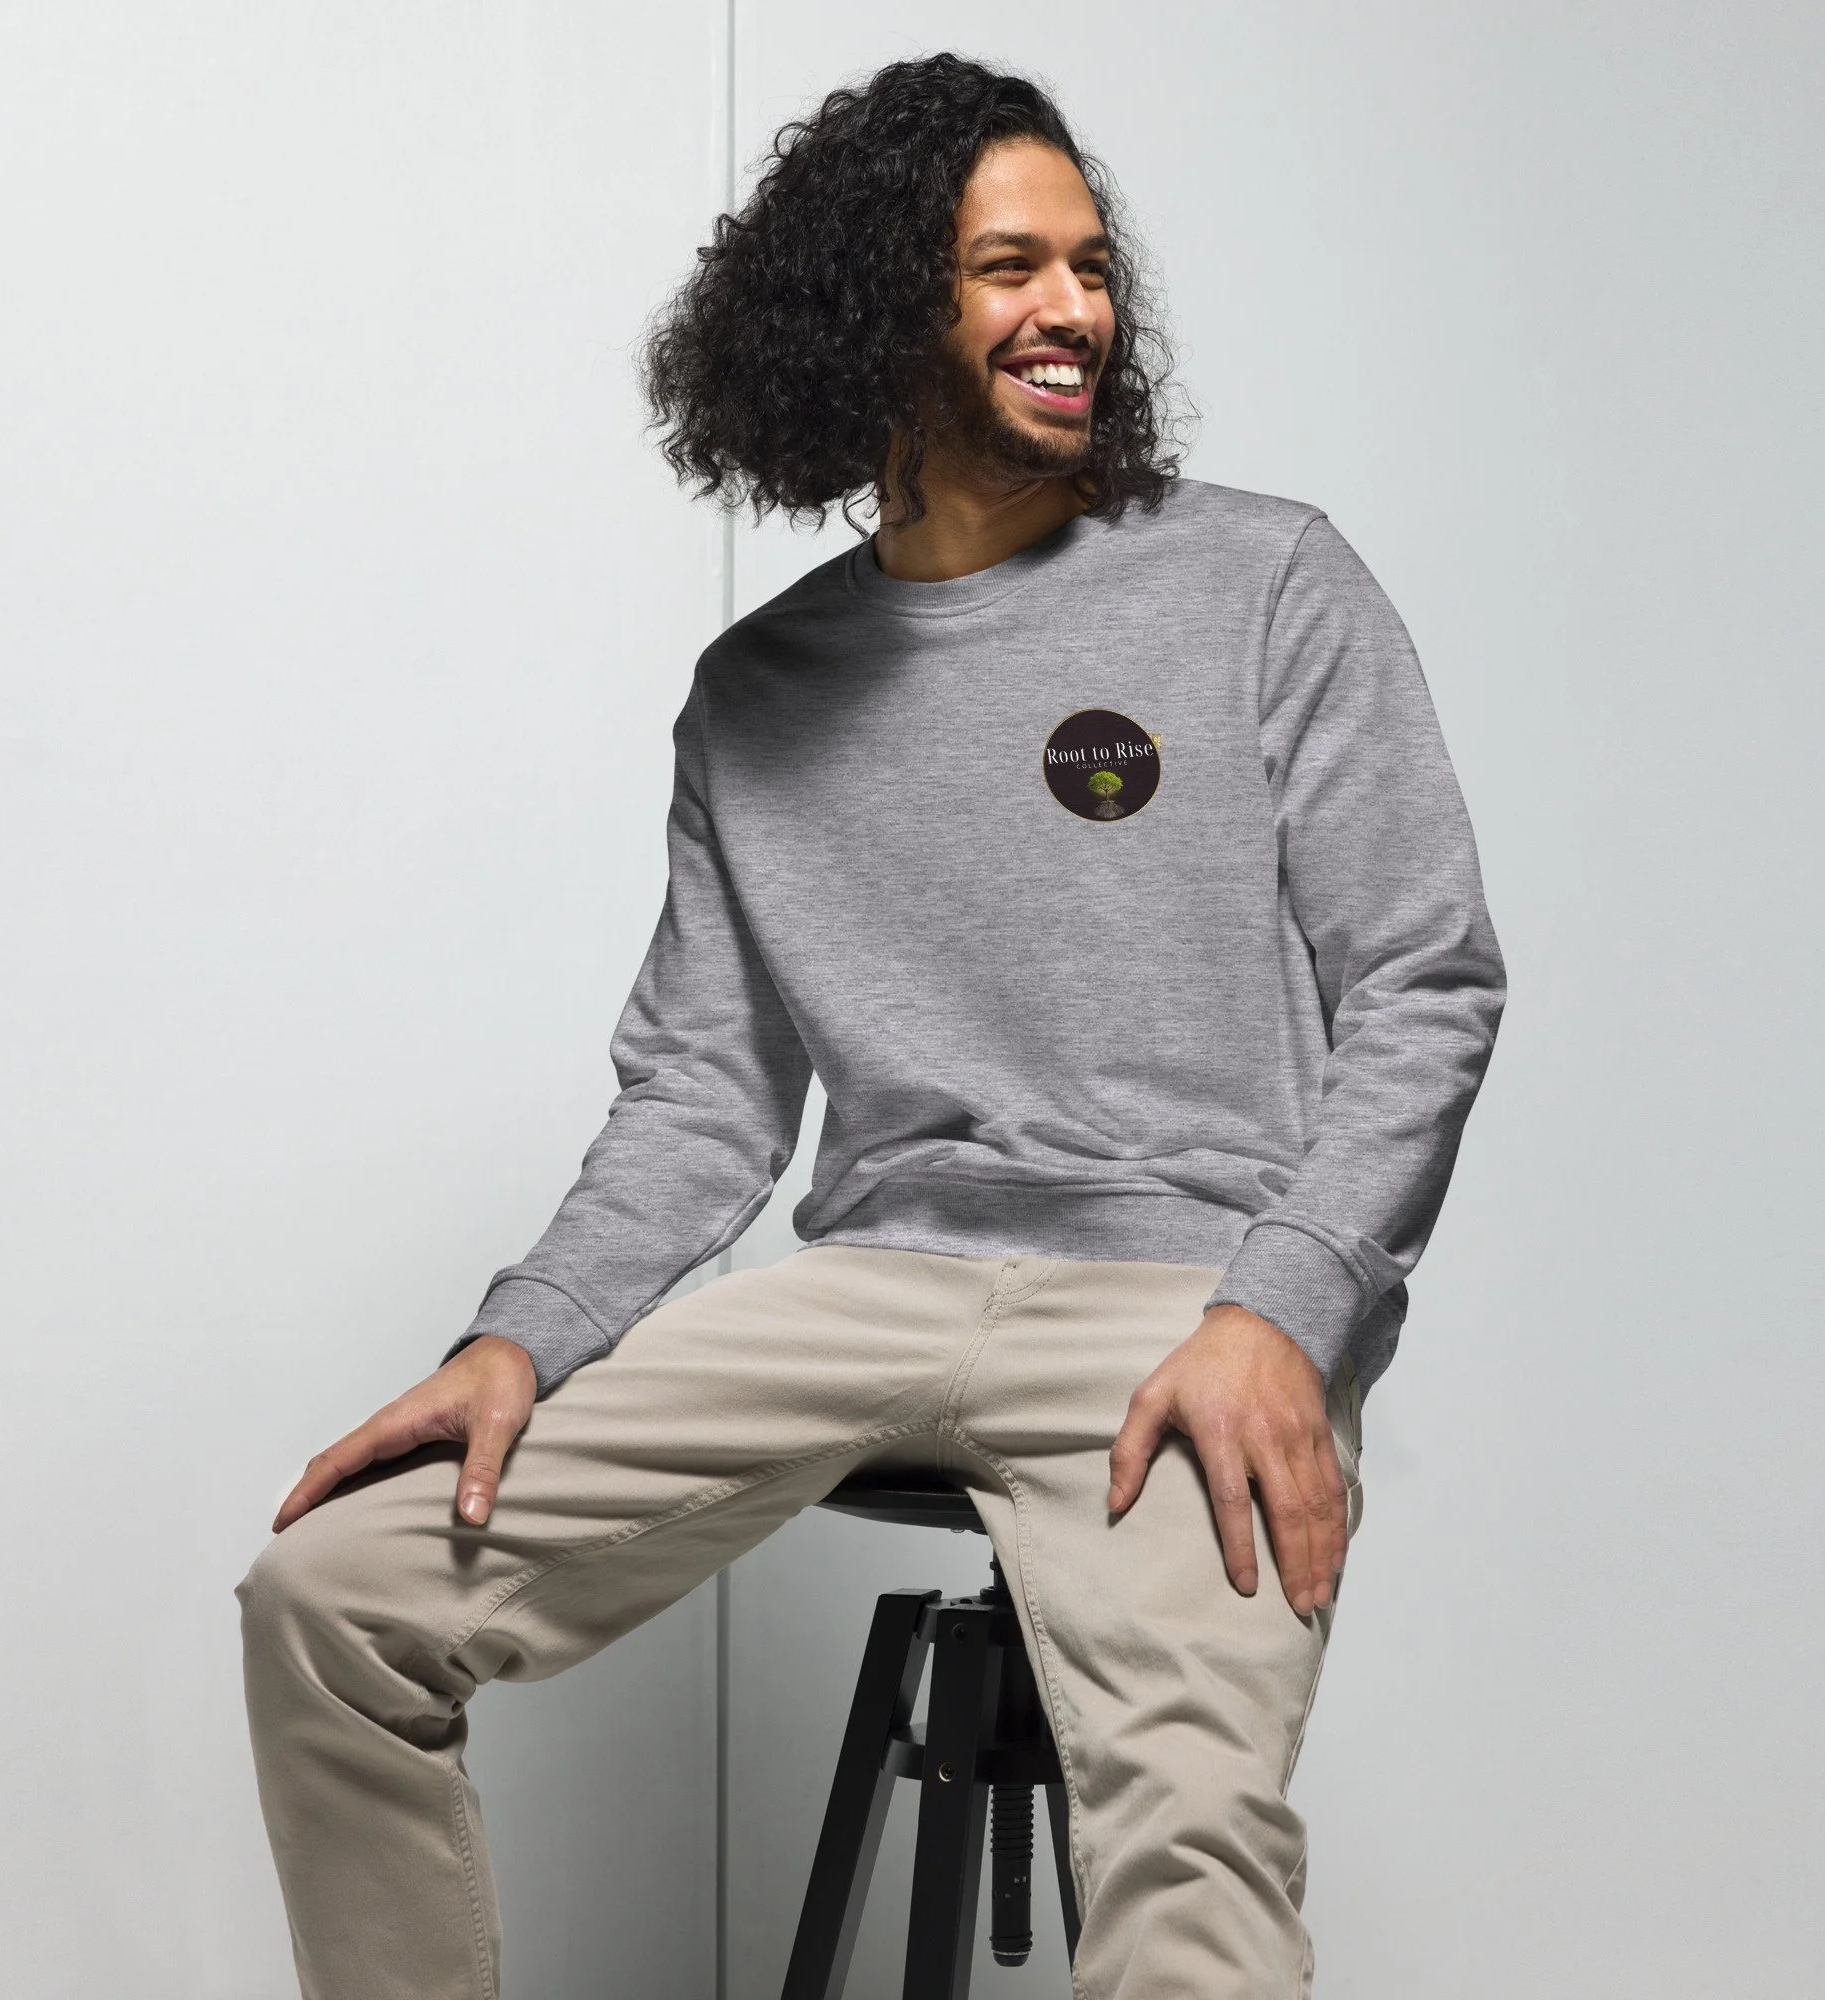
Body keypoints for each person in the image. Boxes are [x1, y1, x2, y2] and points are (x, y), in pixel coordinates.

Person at [238, 53, 1506, 2000]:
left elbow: (1425, 976)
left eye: (1090, 265)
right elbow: (701, 1097)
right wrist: (520, 1337)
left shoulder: (1265, 580)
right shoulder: (763, 690)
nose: (1075, 308)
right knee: (330, 1597)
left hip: (1180, 1292)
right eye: (1011, 267)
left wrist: (1289, 1306)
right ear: (870, 312)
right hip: (873, 1286)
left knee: (1187, 1850)